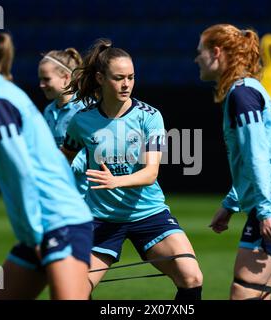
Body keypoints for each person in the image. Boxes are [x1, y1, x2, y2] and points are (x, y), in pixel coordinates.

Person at [0, 24, 93, 300]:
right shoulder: (0, 94)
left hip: (57, 223)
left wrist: (35, 234)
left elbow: (22, 173)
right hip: (42, 227)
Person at [62, 38, 203, 300]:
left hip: (148, 214)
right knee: (73, 293)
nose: (126, 84)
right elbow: (64, 159)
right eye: (119, 78)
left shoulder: (149, 116)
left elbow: (151, 173)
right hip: (101, 218)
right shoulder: (81, 121)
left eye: (131, 77)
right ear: (101, 78)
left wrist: (116, 181)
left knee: (191, 276)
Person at [195, 24, 271, 300]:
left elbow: (256, 156)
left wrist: (266, 211)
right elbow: (250, 161)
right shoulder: (242, 91)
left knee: (242, 292)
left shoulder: (242, 95)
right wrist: (230, 205)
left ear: (217, 53)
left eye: (201, 52)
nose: (196, 59)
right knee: (258, 294)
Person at [38, 49, 88, 197]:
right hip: (59, 194)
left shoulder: (86, 109)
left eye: (46, 79)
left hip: (85, 197)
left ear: (66, 78)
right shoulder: (48, 110)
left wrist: (60, 164)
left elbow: (93, 153)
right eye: (40, 79)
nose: (41, 85)